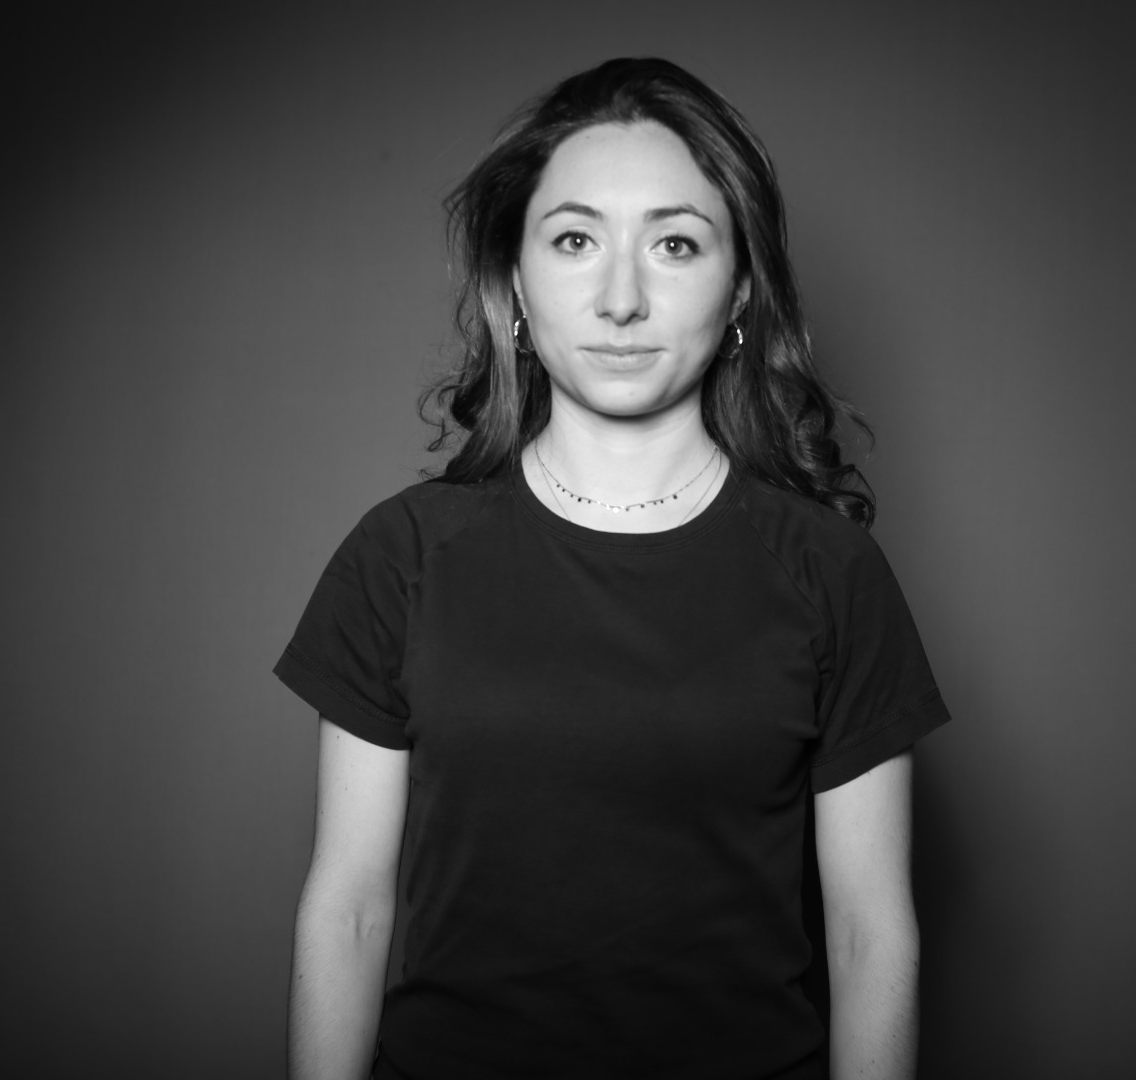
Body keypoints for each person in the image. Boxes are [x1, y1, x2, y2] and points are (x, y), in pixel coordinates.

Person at [275, 57, 950, 1080]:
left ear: (741, 289)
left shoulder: (832, 572)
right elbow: (349, 910)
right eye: (575, 240)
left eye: (675, 244)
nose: (621, 298)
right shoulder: (401, 556)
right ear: (514, 281)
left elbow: (871, 935)